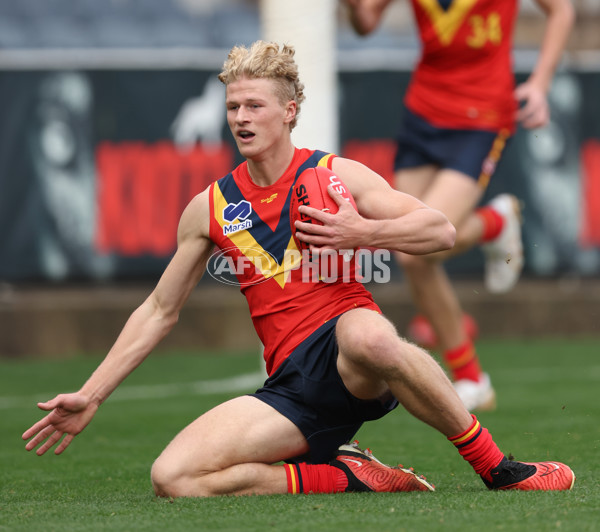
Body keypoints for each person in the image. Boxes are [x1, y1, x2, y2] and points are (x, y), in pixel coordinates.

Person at [22, 41, 574, 496]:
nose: (240, 118)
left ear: (288, 111)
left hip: (350, 345)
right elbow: (160, 310)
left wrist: (364, 233)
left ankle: (498, 468)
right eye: (233, 107)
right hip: (290, 387)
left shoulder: (336, 174)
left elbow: (441, 230)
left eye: (254, 106)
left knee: (369, 335)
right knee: (174, 479)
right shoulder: (209, 208)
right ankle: (345, 475)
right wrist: (90, 395)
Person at [343, 0, 575, 411]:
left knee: (416, 250)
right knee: (411, 247)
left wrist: (539, 83)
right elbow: (365, 22)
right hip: (423, 111)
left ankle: (492, 225)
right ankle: (472, 377)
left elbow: (561, 10)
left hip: (481, 114)